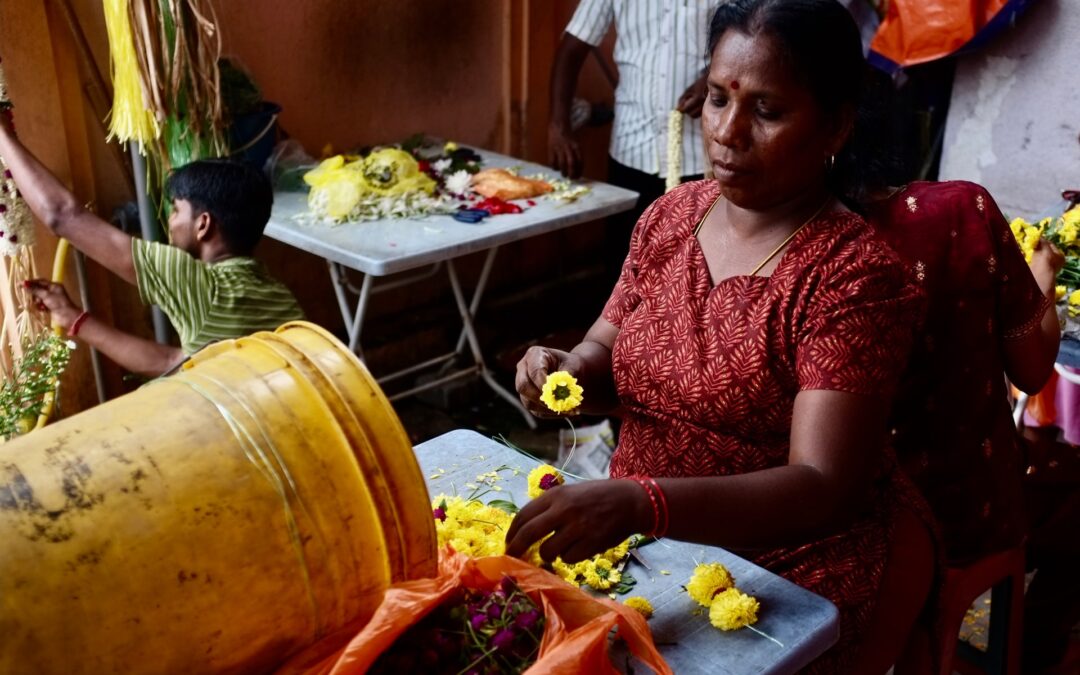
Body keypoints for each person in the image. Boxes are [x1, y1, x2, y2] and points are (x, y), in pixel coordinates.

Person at [510, 1, 934, 671]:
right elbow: (604, 354)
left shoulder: (850, 275)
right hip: (644, 540)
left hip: (791, 566)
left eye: (767, 112)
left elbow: (821, 484)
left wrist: (643, 502)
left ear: (835, 124)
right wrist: (559, 372)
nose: (727, 132)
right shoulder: (671, 218)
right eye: (715, 99)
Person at [868, 183, 1079, 673]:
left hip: (825, 498)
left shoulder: (698, 211)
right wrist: (1043, 274)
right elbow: (1031, 370)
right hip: (942, 507)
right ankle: (1037, 647)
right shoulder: (959, 212)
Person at [0, 115, 304, 377]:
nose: (169, 221)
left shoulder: (197, 283)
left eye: (175, 210)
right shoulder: (278, 296)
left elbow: (61, 215)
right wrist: (73, 317)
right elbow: (174, 361)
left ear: (203, 225)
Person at [549, 0, 722, 282]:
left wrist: (712, 79)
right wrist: (558, 128)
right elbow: (572, 47)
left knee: (694, 276)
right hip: (631, 151)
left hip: (700, 158)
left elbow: (749, 39)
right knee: (625, 271)